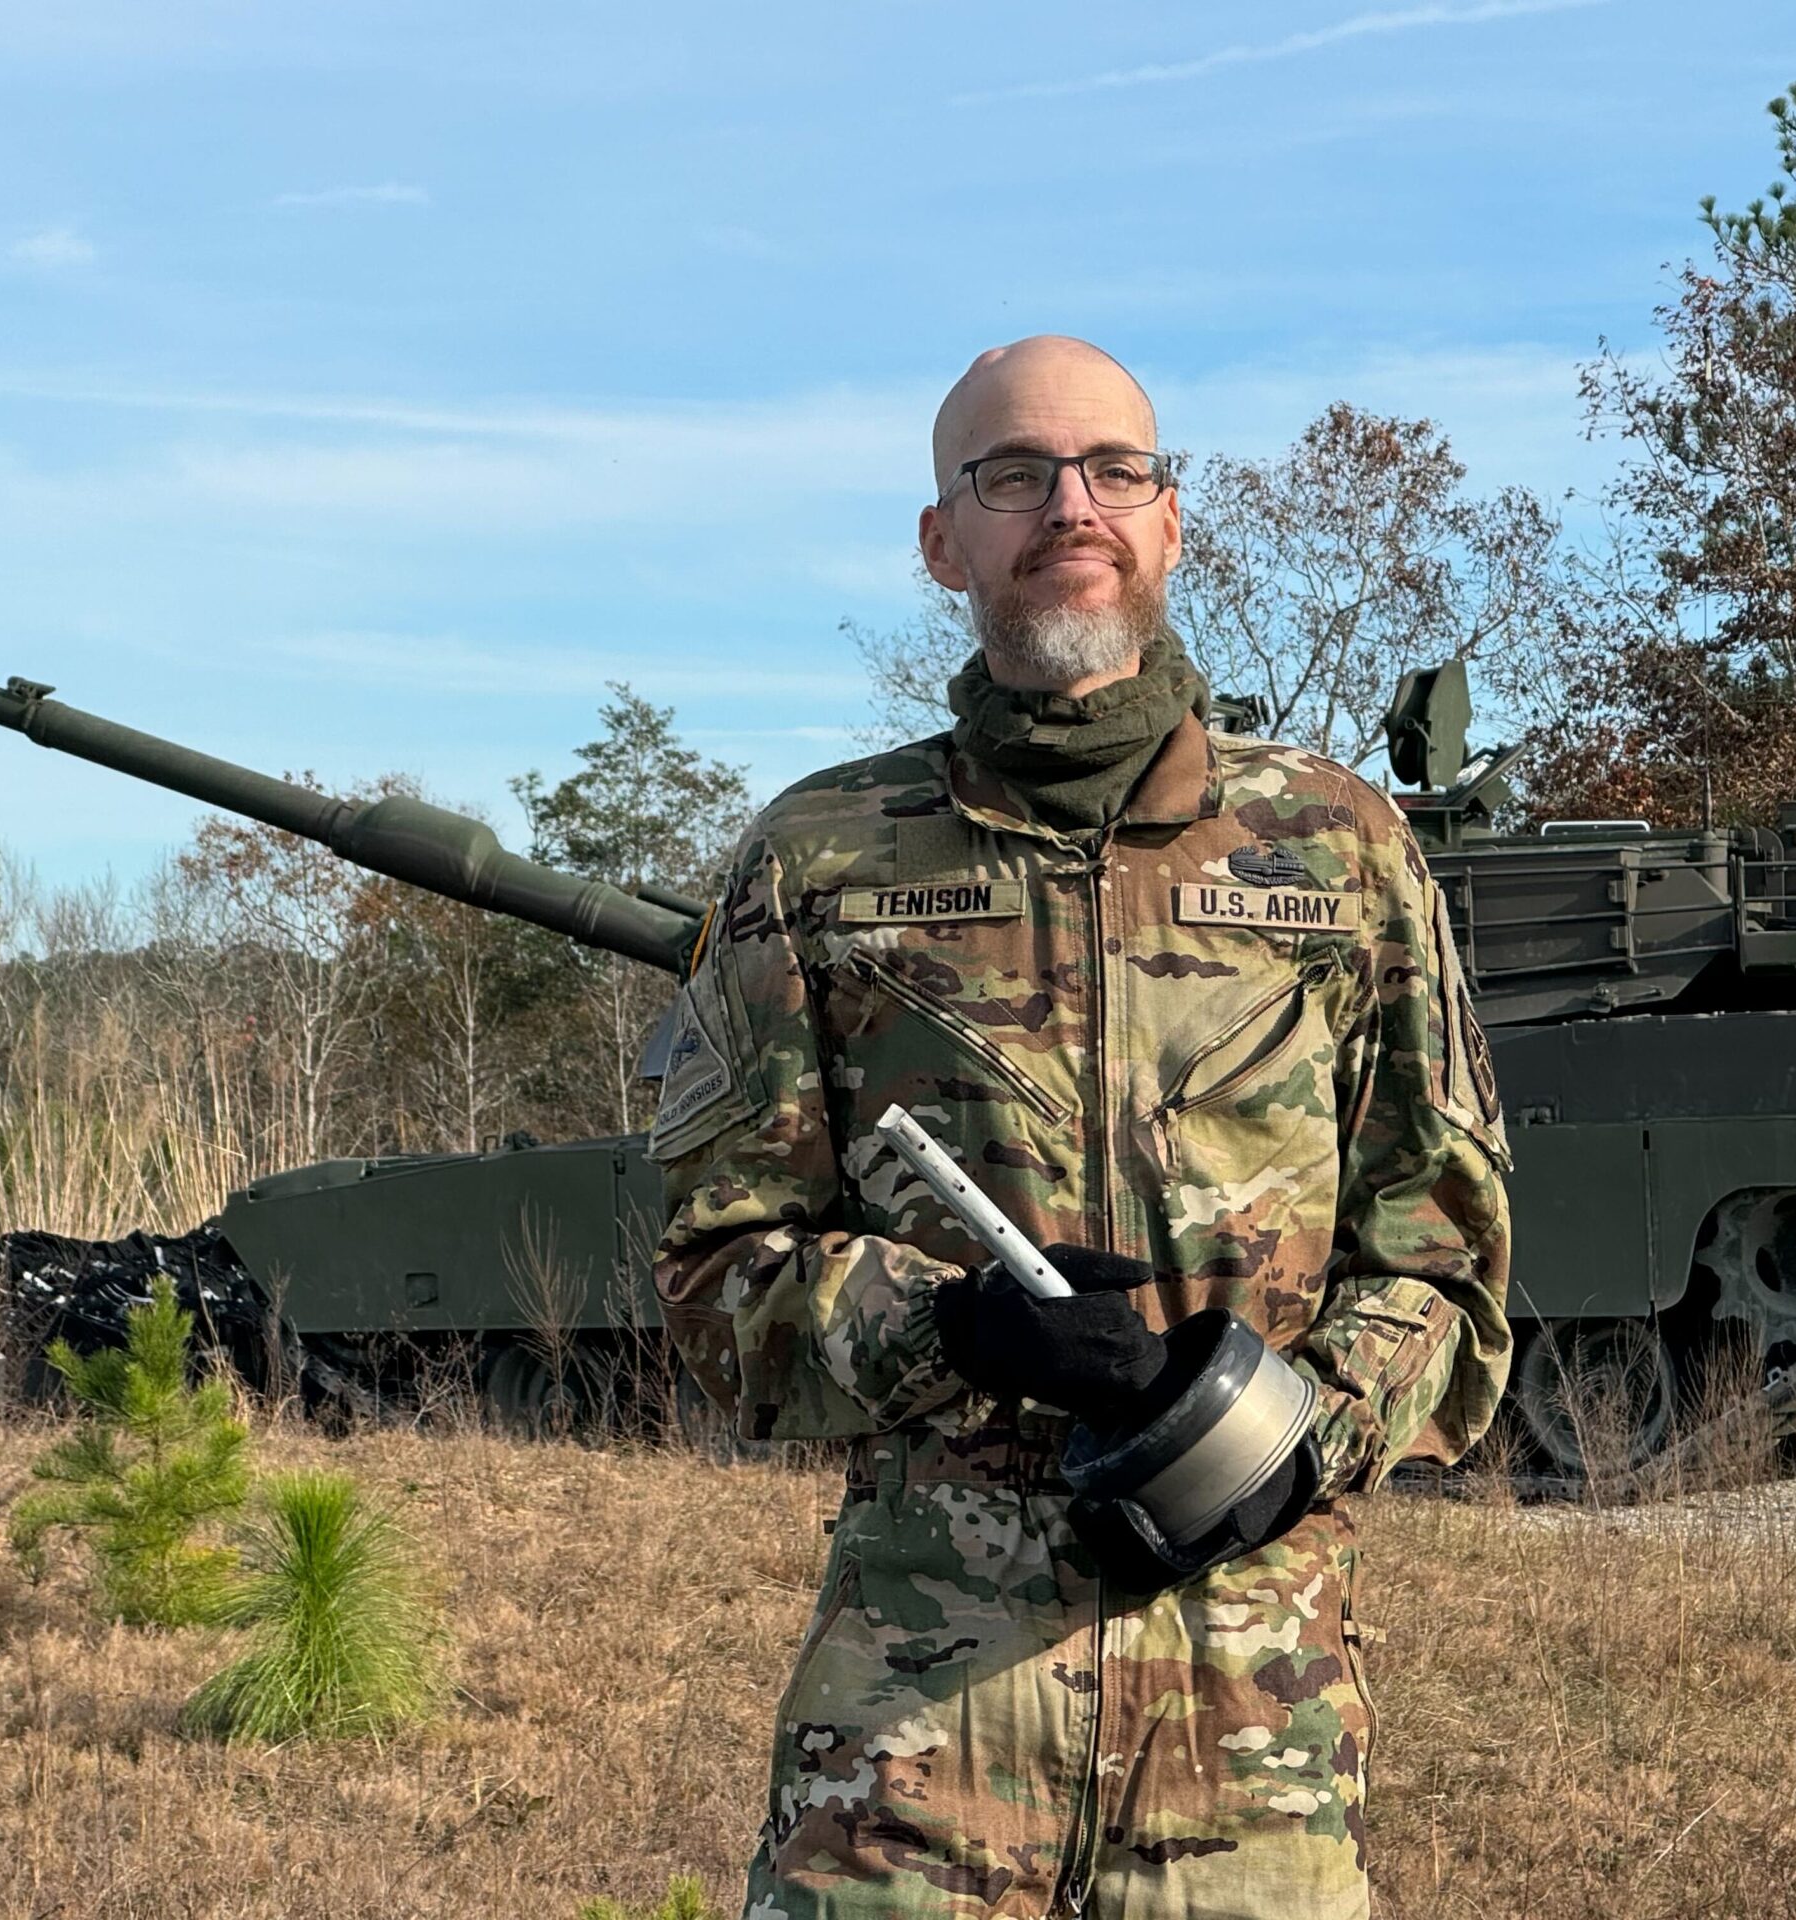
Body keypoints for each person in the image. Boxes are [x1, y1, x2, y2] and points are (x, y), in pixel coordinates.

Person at [652, 335, 1510, 1920]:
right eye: (1014, 475)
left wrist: (1292, 1434)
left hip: (1255, 1751)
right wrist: (950, 1328)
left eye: (1117, 470)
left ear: (1170, 521)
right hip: (913, 1751)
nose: (1072, 507)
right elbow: (714, 1276)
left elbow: (1447, 1269)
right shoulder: (819, 859)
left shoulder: (1340, 846)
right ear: (943, 541)